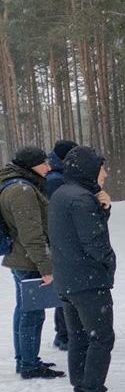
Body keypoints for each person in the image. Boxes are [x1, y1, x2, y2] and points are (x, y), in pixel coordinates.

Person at [48, 146, 125, 392]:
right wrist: (109, 262)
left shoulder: (62, 194)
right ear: (89, 169)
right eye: (101, 167)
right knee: (102, 338)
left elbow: (76, 232)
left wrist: (102, 208)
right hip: (88, 281)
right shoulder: (82, 199)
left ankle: (81, 391)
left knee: (80, 337)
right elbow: (94, 242)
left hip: (68, 280)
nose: (105, 173)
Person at [0, 145, 64, 380]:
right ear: (29, 166)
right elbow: (31, 234)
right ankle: (28, 364)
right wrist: (46, 268)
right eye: (43, 163)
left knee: (24, 310)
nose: (48, 167)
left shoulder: (18, 184)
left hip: (21, 258)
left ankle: (25, 359)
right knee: (32, 314)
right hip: (28, 261)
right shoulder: (22, 191)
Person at [46, 139, 77, 351]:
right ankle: (65, 334)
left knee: (66, 287)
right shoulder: (56, 179)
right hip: (60, 240)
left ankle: (66, 332)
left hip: (59, 239)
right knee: (67, 288)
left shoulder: (57, 174)